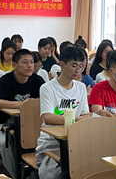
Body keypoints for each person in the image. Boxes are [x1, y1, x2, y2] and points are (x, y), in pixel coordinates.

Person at [36, 47, 91, 179]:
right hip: (51, 143)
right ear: (61, 64)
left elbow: (86, 115)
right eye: (74, 66)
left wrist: (79, 119)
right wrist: (76, 119)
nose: (77, 70)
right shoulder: (47, 88)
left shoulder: (81, 87)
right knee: (57, 174)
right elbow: (48, 117)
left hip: (75, 140)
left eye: (80, 66)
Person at [0, 49, 44, 178]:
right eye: (25, 62)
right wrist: (21, 104)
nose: (30, 66)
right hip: (3, 124)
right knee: (5, 143)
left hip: (31, 123)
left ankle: (37, 171)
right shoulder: (5, 80)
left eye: (31, 62)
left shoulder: (37, 80)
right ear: (14, 65)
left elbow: (47, 100)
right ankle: (16, 175)